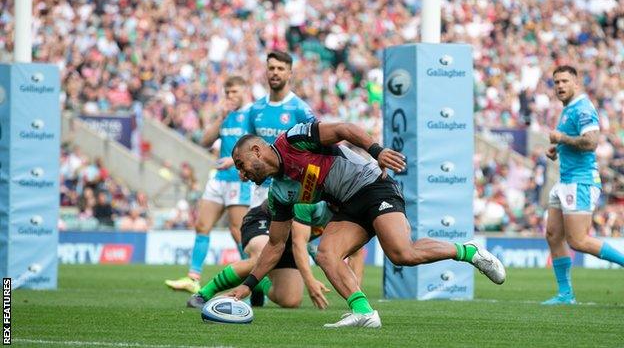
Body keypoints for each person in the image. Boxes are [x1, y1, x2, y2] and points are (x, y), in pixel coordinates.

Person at [227, 121, 506, 328]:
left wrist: (377, 150)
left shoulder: (293, 139)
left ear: (256, 150)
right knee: (326, 254)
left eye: (241, 165)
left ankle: (468, 251)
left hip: (373, 186)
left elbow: (344, 129)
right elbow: (276, 245)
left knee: (402, 254)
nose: (242, 174)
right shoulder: (279, 193)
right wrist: (248, 285)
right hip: (349, 206)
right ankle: (364, 312)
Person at [543, 65, 624, 305]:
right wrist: (557, 148)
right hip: (565, 180)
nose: (560, 86)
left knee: (578, 240)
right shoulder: (568, 109)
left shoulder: (583, 108)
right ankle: (565, 294)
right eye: (556, 82)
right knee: (552, 235)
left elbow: (591, 142)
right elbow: (572, 140)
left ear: (576, 83)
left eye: (565, 81)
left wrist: (561, 138)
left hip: (581, 181)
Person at [186, 200, 364, 309]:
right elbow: (299, 242)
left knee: (290, 300)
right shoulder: (312, 200)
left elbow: (356, 253)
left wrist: (356, 299)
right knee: (261, 257)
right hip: (264, 219)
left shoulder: (349, 212)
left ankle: (258, 282)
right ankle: (203, 294)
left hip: (290, 237)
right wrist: (310, 280)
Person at [165, 76, 252, 293]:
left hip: (239, 178)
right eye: (228, 92)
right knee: (202, 225)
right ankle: (193, 278)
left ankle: (252, 280)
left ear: (245, 91)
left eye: (234, 92)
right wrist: (220, 117)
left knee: (236, 231)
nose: (230, 96)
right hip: (220, 179)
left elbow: (258, 147)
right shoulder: (226, 116)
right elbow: (205, 141)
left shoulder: (252, 114)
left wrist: (235, 160)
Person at [245, 50, 316, 208]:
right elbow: (248, 146)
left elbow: (317, 146)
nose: (275, 73)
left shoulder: (300, 109)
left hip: (292, 188)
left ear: (289, 73)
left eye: (280, 68)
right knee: (253, 232)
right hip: (261, 188)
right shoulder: (255, 109)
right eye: (271, 68)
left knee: (291, 233)